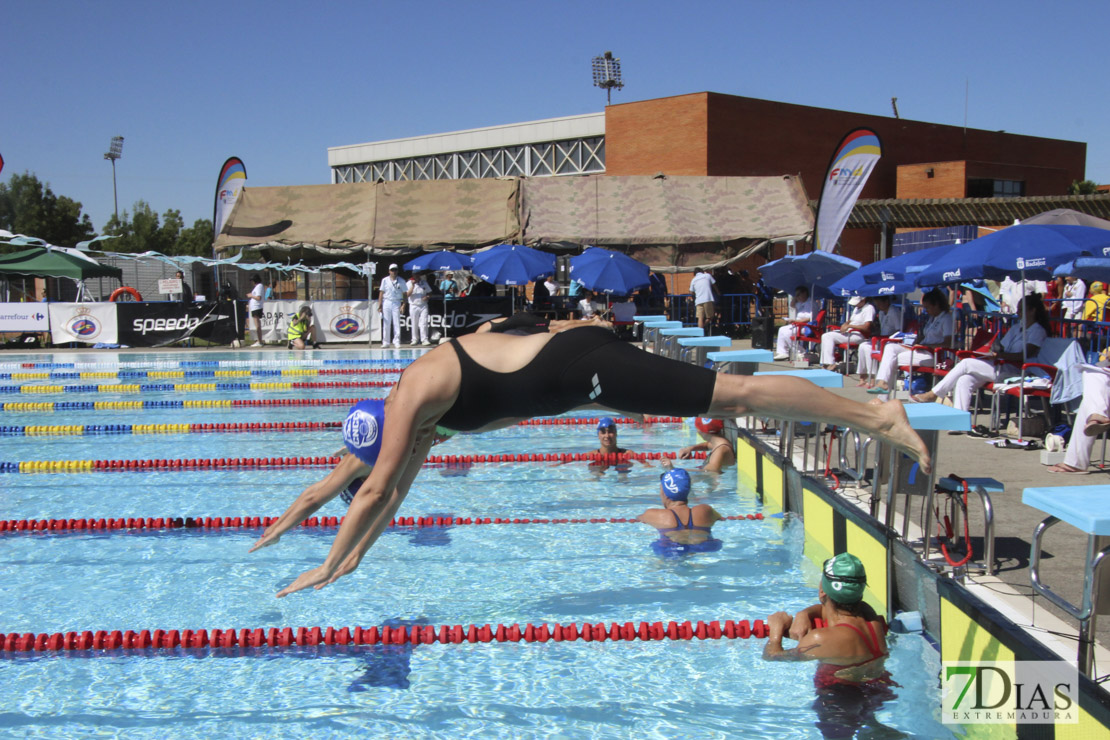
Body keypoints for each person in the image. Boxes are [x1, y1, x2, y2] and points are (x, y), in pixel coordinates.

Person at [260, 325, 930, 597]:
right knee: (735, 395)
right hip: (576, 370)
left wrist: (326, 562)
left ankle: (878, 414)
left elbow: (376, 491)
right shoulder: (419, 417)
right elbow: (390, 492)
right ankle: (875, 414)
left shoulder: (412, 395)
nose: (407, 456)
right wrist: (351, 560)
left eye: (398, 450)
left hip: (586, 367)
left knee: (739, 392)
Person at [250, 400, 455, 552]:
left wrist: (277, 530)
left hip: (450, 417)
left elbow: (315, 496)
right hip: (444, 413)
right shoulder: (378, 459)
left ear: (364, 483)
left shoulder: (364, 462)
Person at [763, 553, 895, 739]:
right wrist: (804, 614)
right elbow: (828, 610)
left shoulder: (821, 639)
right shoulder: (868, 613)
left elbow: (773, 656)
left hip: (839, 701)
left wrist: (775, 630)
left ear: (822, 591)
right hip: (877, 689)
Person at [912, 294, 1051, 413]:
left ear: (1032, 311)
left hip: (1016, 370)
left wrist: (1000, 356)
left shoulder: (1038, 331)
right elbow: (1001, 347)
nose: (1018, 312)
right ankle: (959, 421)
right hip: (999, 365)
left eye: (1021, 310)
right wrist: (991, 347)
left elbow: (1024, 355)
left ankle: (934, 393)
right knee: (964, 379)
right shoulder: (1016, 327)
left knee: (966, 363)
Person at [871, 288, 953, 393]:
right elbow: (925, 336)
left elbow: (948, 343)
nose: (925, 310)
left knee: (891, 360)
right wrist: (918, 340)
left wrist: (928, 346)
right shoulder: (932, 319)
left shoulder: (946, 319)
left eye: (927, 307)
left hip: (931, 355)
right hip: (920, 350)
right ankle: (882, 384)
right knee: (890, 347)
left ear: (936, 305)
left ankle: (883, 394)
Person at [636, 467, 723, 556]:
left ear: (664, 491)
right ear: (688, 490)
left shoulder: (655, 514)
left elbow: (639, 519)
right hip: (705, 547)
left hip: (671, 549)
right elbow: (720, 518)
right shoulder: (705, 510)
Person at [856, 296, 902, 388]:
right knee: (863, 346)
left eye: (879, 304)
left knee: (869, 348)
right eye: (877, 304)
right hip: (881, 339)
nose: (878, 306)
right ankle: (863, 376)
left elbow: (899, 330)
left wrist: (887, 338)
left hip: (891, 341)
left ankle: (872, 378)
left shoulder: (894, 312)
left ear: (886, 302)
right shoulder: (881, 313)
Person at [820, 297, 875, 371]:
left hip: (859, 334)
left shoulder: (869, 308)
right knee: (825, 336)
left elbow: (867, 326)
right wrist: (845, 324)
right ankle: (826, 363)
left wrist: (850, 326)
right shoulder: (856, 308)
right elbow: (851, 320)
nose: (855, 305)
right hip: (849, 332)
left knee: (828, 336)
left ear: (863, 300)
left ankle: (830, 363)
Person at [475, 312, 611, 336]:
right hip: (520, 325)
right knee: (558, 326)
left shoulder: (480, 336)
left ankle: (594, 323)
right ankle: (593, 322)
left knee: (557, 328)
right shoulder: (479, 333)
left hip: (521, 322)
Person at [774, 286, 815, 361]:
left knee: (787, 333)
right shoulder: (801, 303)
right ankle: (782, 352)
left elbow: (809, 318)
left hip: (807, 326)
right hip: (799, 324)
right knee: (781, 329)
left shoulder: (810, 303)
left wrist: (795, 321)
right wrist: (795, 297)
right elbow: (792, 305)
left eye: (799, 295)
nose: (797, 297)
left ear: (804, 293)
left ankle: (800, 352)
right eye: (796, 295)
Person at [378, 264, 407, 348]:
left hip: (396, 302)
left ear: (397, 271)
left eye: (395, 270)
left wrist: (404, 305)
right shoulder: (385, 280)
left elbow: (404, 294)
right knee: (386, 322)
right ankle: (386, 342)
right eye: (392, 270)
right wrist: (380, 305)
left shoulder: (401, 281)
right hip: (387, 301)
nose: (393, 272)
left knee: (396, 322)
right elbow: (381, 292)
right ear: (389, 271)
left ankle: (396, 341)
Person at [407, 270, 433, 346]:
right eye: (415, 274)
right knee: (414, 323)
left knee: (424, 322)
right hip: (413, 305)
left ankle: (424, 339)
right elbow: (407, 295)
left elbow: (430, 292)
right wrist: (413, 286)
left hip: (423, 305)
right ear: (413, 275)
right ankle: (414, 339)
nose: (417, 276)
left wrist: (427, 296)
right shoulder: (408, 283)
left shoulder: (424, 283)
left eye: (418, 274)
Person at [689, 267, 717, 331]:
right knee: (710, 316)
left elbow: (691, 292)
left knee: (700, 318)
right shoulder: (707, 276)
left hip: (698, 300)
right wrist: (718, 292)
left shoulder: (693, 279)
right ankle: (704, 326)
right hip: (708, 298)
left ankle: (700, 333)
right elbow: (714, 284)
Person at [247, 274, 265, 347]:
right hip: (255, 307)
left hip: (257, 307)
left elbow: (258, 298)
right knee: (257, 324)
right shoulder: (258, 287)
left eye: (252, 281)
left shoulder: (259, 286)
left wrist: (251, 295)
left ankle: (259, 341)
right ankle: (259, 340)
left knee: (257, 325)